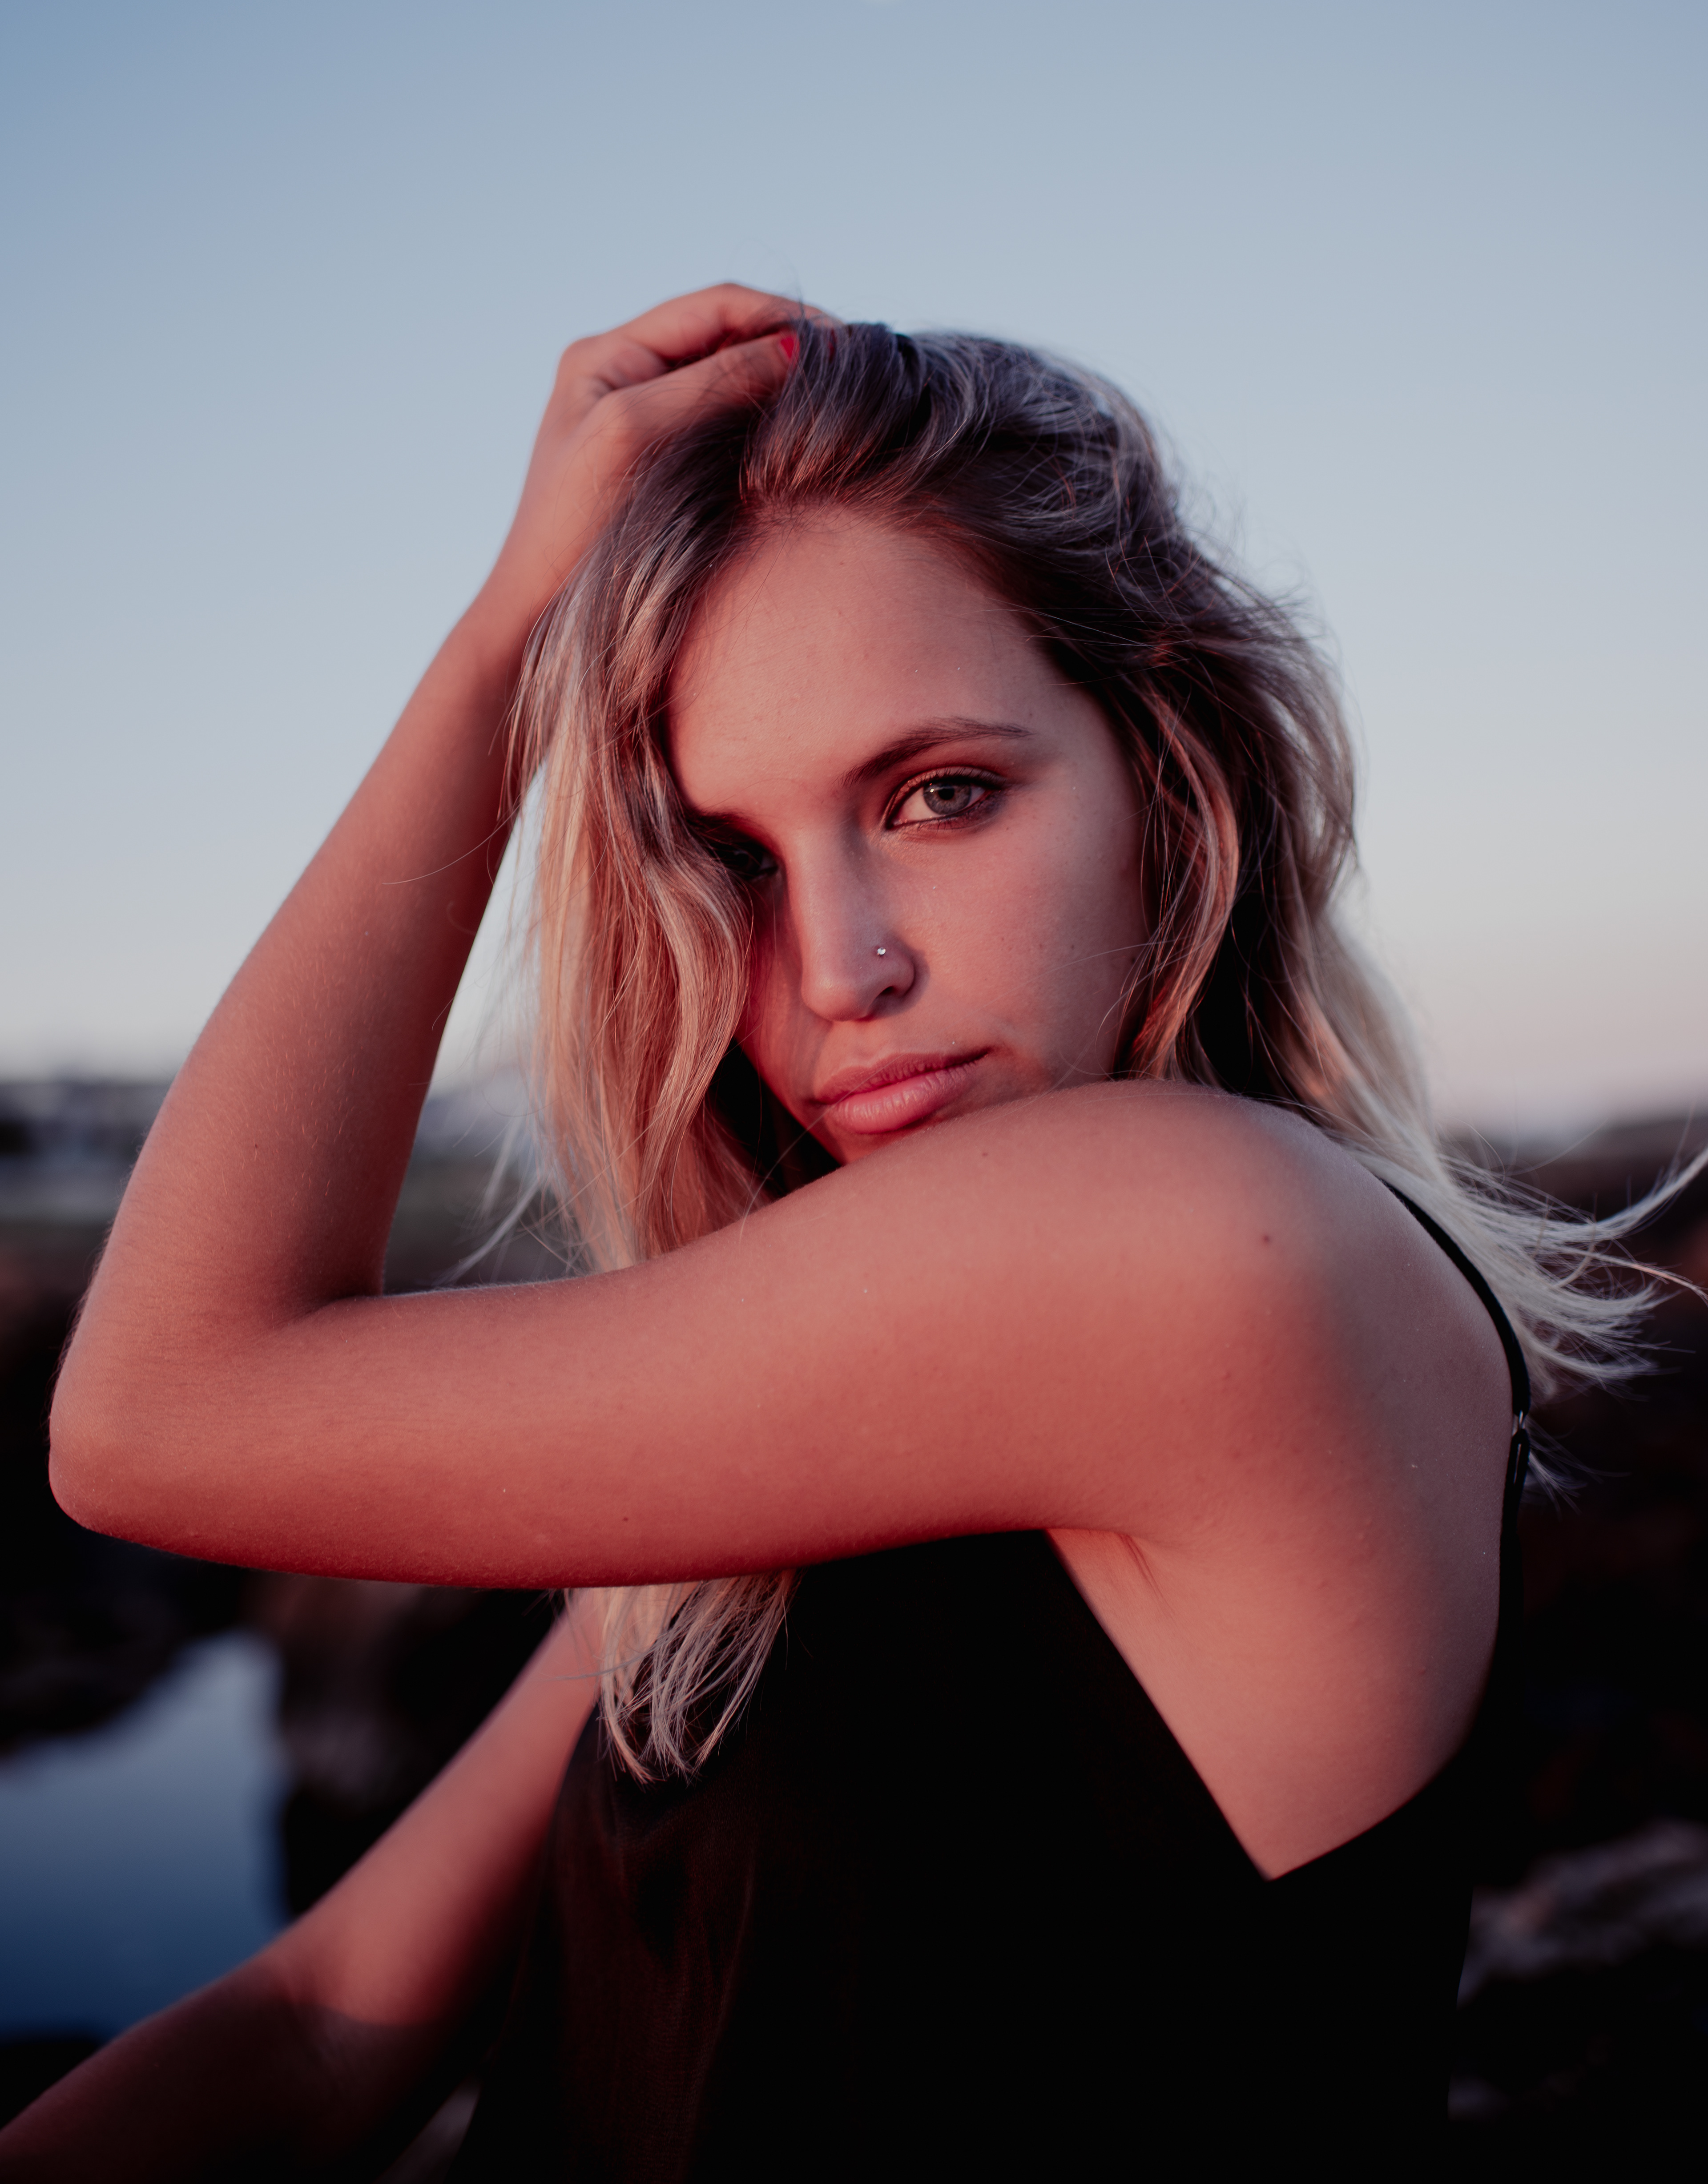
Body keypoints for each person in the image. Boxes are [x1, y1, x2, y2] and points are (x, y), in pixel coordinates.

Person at [3, 288, 1651, 2176]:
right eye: (734, 859)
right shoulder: (811, 1406)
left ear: (1167, 768)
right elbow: (320, 2028)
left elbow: (151, 1416)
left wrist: (498, 649)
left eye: (944, 795)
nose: (839, 968)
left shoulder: (1209, 1243)